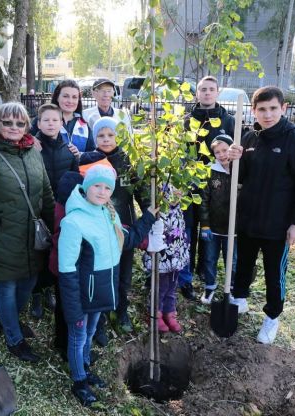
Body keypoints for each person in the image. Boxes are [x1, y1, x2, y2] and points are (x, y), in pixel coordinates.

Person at [58, 164, 162, 407]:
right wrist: (72, 307)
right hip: (82, 292)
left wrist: (147, 218)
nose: (102, 191)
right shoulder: (73, 222)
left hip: (102, 288)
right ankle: (79, 381)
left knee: (91, 332)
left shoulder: (108, 214)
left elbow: (125, 242)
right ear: (86, 186)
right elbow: (66, 269)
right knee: (78, 335)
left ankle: (84, 365)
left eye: (107, 187)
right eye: (97, 185)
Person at [227, 86, 295, 344]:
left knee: (273, 274)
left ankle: (272, 318)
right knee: (243, 264)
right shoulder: (249, 138)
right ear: (254, 111)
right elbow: (241, 176)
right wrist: (232, 160)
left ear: (283, 108)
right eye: (262, 110)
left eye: (273, 109)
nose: (267, 115)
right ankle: (239, 298)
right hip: (248, 220)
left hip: (277, 226)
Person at [0, 102, 55, 362]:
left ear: (27, 126)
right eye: (7, 122)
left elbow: (47, 195)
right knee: (6, 289)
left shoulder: (33, 154)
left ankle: (9, 322)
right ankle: (13, 337)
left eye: (19, 123)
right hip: (1, 239)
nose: (13, 128)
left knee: (28, 283)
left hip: (31, 237)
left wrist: (57, 232)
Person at [80, 117, 149, 343]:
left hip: (125, 226)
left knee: (124, 275)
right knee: (101, 274)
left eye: (111, 135)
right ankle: (99, 322)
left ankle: (121, 311)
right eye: (101, 135)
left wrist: (150, 208)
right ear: (94, 137)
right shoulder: (89, 161)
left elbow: (140, 190)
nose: (106, 139)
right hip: (99, 227)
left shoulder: (127, 161)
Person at [182, 75, 236, 299]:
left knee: (209, 230)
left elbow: (234, 150)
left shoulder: (227, 120)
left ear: (217, 92)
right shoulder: (188, 120)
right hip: (190, 183)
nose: (206, 93)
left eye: (211, 89)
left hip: (217, 186)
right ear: (197, 93)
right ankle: (185, 274)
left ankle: (206, 273)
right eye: (202, 89)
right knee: (188, 229)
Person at [30, 103, 79, 321]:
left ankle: (49, 288)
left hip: (61, 209)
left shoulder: (68, 150)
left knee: (55, 250)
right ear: (38, 123)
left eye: (55, 120)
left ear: (62, 123)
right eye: (46, 120)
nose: (51, 124)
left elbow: (76, 180)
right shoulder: (31, 146)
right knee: (38, 250)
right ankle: (36, 294)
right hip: (37, 208)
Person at [143, 185, 190, 333]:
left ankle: (169, 312)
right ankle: (155, 313)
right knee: (160, 287)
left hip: (175, 255)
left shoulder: (178, 211)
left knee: (172, 285)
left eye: (180, 192)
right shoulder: (158, 210)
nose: (177, 195)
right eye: (174, 192)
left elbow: (179, 231)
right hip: (162, 256)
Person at [198, 134, 237, 305]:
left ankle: (233, 288)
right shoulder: (211, 172)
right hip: (213, 227)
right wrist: (205, 225)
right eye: (217, 152)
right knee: (210, 258)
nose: (221, 155)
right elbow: (204, 201)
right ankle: (210, 286)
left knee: (233, 260)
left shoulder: (240, 171)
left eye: (224, 150)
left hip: (234, 229)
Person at [30, 79, 95, 153]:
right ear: (57, 97)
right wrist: (30, 139)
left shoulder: (84, 125)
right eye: (65, 96)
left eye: (74, 97)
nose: (70, 101)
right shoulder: (43, 119)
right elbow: (23, 139)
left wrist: (80, 155)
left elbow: (92, 153)